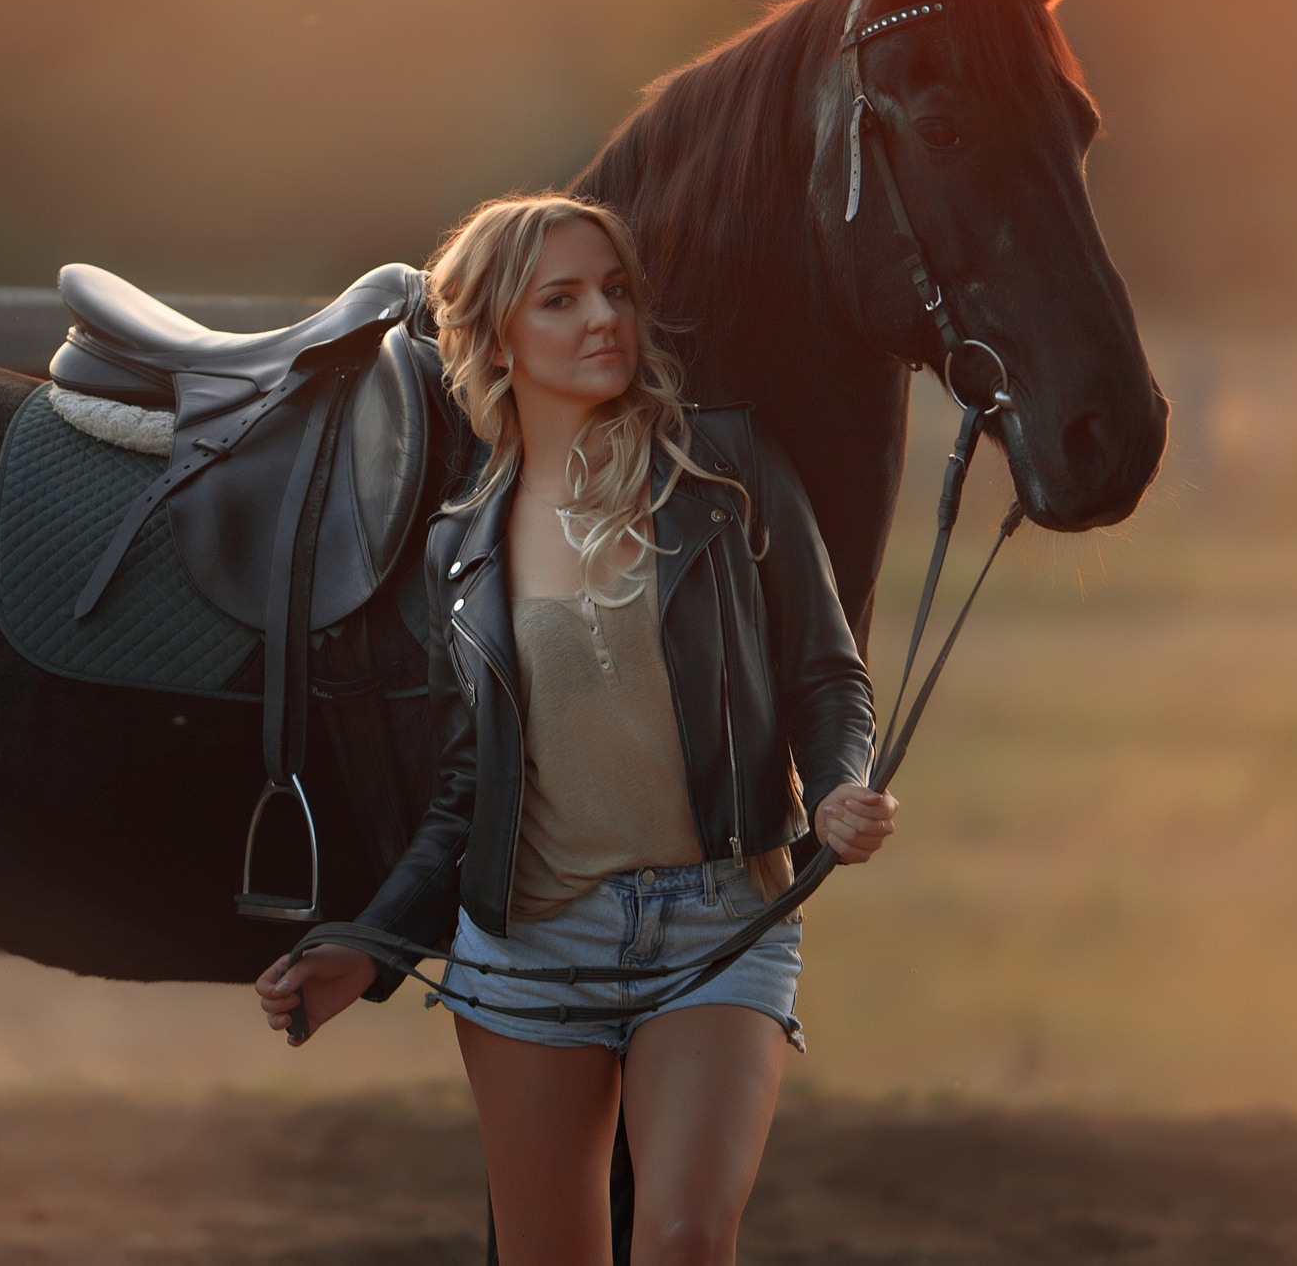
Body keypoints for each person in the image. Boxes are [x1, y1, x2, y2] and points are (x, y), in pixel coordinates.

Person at [254, 194, 897, 1265]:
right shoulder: (461, 545)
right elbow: (463, 797)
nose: (603, 316)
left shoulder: (726, 468)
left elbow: (827, 673)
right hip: (529, 950)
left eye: (615, 289)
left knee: (685, 1236)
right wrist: (367, 949)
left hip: (716, 924)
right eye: (560, 299)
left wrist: (833, 785)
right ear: (496, 338)